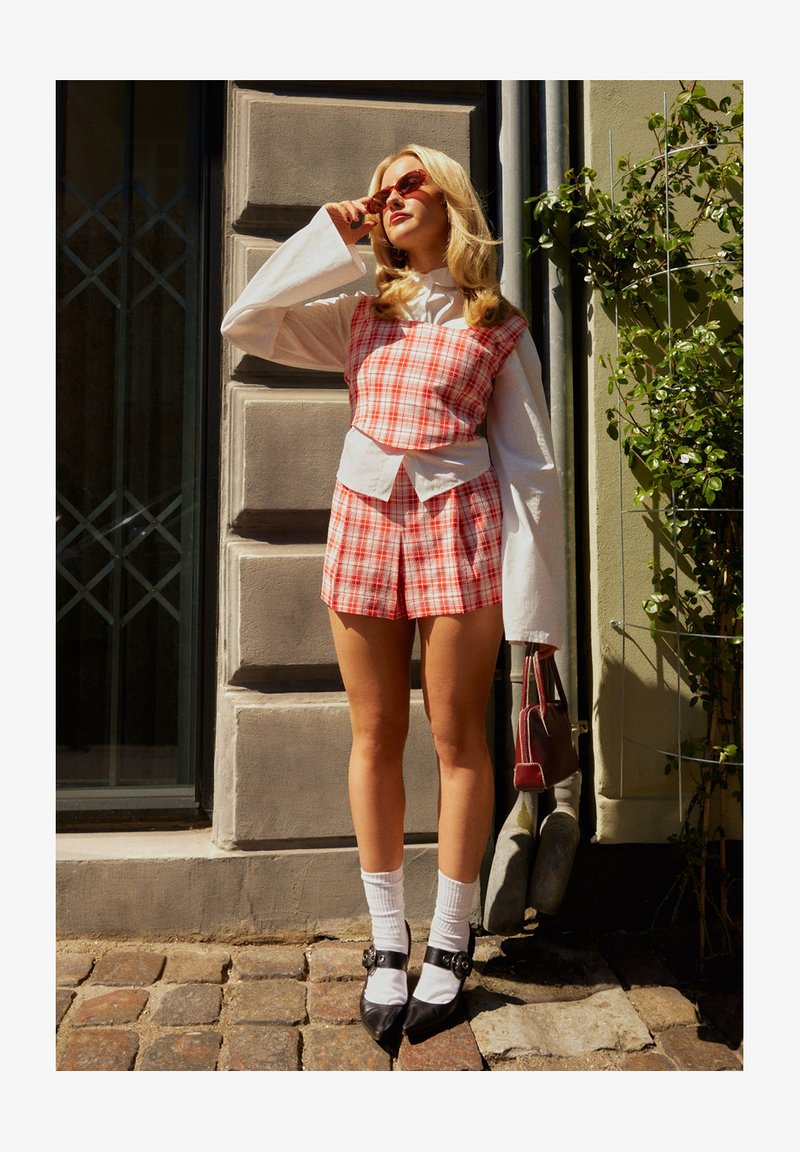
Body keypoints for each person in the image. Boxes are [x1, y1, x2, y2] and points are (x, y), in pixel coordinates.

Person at [221, 144, 566, 1045]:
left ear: (451, 200)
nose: (393, 195)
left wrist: (539, 619)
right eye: (384, 186)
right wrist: (328, 234)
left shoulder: (498, 325)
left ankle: (450, 945)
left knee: (458, 744)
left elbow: (532, 472)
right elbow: (247, 320)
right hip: (367, 524)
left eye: (413, 182)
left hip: (461, 529)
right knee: (374, 736)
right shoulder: (359, 314)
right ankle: (386, 939)